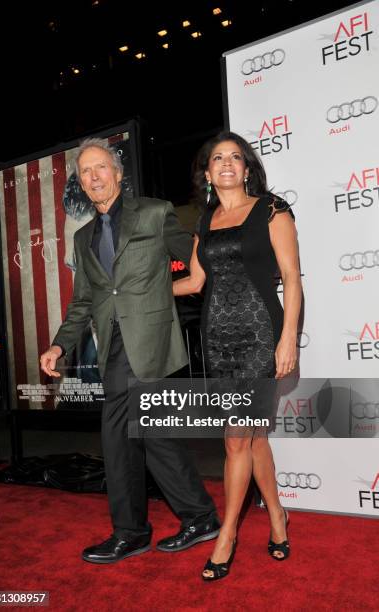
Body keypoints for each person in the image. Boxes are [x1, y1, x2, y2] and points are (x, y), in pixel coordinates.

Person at [40, 137, 219, 565]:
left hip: (151, 341)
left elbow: (195, 255)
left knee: (118, 435)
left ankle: (132, 531)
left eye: (100, 167)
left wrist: (182, 286)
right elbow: (84, 301)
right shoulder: (84, 238)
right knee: (152, 435)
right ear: (81, 183)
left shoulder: (154, 213)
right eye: (85, 171)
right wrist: (60, 344)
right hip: (115, 346)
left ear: (119, 174)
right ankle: (198, 516)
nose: (93, 176)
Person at [173, 131, 302, 580]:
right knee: (254, 439)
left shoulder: (271, 209)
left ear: (247, 168)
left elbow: (292, 277)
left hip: (261, 334)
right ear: (207, 173)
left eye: (235, 157)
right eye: (217, 158)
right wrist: (135, 294)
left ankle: (227, 534)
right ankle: (278, 518)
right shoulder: (205, 222)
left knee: (235, 440)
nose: (226, 163)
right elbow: (193, 282)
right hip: (217, 340)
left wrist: (288, 339)